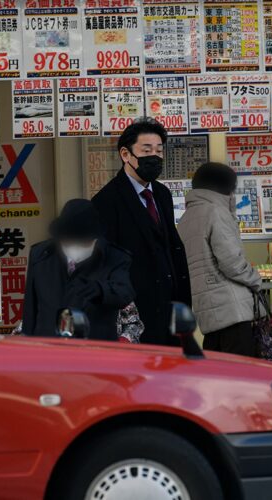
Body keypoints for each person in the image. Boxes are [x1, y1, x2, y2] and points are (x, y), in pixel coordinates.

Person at [92, 118, 191, 346]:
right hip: (136, 315)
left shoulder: (162, 194)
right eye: (146, 150)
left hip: (170, 309)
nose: (154, 157)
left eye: (159, 151)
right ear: (126, 155)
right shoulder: (106, 202)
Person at [177, 162, 262, 356]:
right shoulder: (216, 212)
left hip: (208, 316)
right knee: (242, 376)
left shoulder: (186, 219)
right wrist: (256, 280)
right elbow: (232, 263)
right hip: (233, 311)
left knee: (219, 375)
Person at [22, 199, 135, 341]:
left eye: (82, 241)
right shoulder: (40, 255)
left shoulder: (115, 257)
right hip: (48, 346)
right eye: (71, 240)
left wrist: (100, 290)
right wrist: (27, 342)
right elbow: (30, 308)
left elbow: (124, 293)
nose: (76, 246)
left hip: (95, 347)